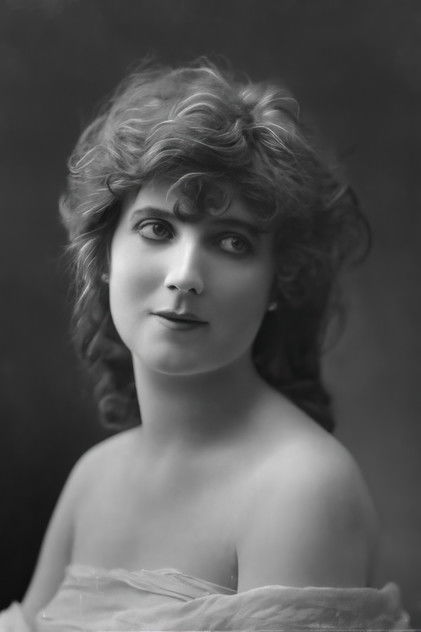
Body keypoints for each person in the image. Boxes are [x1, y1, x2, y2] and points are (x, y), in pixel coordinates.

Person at [1, 60, 410, 630]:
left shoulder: (299, 489)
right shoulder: (93, 479)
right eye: (157, 229)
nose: (185, 275)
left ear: (278, 283)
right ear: (104, 256)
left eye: (232, 242)